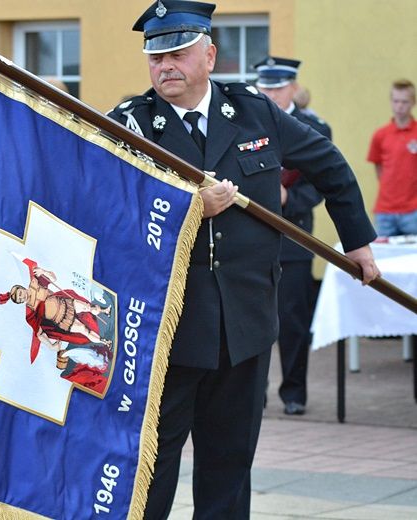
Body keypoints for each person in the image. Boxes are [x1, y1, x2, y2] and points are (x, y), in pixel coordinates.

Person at [108, 2, 379, 518]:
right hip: (169, 330)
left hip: (245, 326)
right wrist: (188, 209)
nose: (165, 66)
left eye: (178, 54)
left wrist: (357, 244)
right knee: (150, 467)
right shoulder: (131, 126)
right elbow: (103, 209)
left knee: (230, 466)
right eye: (155, 57)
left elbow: (331, 166)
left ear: (209, 55)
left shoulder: (253, 111)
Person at [255, 56, 332, 416]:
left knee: (293, 321)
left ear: (294, 88)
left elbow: (324, 180)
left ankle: (294, 393)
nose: (270, 93)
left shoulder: (313, 126)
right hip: (251, 236)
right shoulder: (245, 120)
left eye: (277, 86)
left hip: (295, 235)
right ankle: (255, 392)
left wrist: (290, 200)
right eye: (265, 86)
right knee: (252, 320)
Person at [367, 79, 417, 236]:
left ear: (413, 103)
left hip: (413, 210)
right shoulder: (380, 135)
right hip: (385, 211)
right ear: (391, 102)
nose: (399, 106)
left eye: (404, 101)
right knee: (384, 259)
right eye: (396, 101)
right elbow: (378, 167)